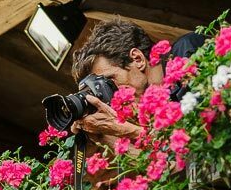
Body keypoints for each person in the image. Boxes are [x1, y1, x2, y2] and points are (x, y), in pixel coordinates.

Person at [70, 18, 203, 146]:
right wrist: (105, 137)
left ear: (138, 59)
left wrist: (126, 130)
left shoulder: (187, 52)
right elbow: (171, 164)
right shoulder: (154, 111)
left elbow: (202, 142)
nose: (110, 95)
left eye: (109, 81)